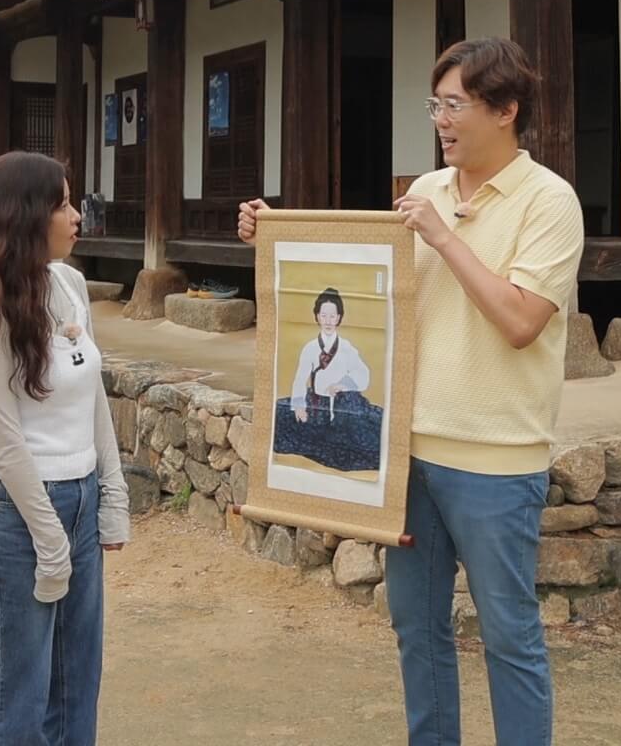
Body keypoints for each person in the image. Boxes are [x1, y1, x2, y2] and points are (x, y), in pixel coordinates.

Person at [240, 37, 583, 746]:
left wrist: (448, 240)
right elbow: (366, 292)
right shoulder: (426, 192)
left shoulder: (550, 202)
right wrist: (271, 235)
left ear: (506, 111)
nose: (442, 120)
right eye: (437, 105)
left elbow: (520, 321)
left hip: (496, 455)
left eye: (456, 105)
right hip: (406, 455)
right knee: (416, 631)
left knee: (509, 637)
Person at [0, 151, 130, 746]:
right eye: (62, 205)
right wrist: (50, 541)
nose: (76, 216)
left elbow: (93, 397)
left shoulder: (71, 284)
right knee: (17, 703)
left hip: (77, 499)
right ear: (26, 215)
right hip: (17, 515)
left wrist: (112, 492)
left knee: (78, 689)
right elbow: (6, 440)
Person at [272, 287, 382, 473]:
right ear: (317, 317)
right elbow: (300, 379)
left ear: (339, 317)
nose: (328, 321)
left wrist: (343, 384)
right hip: (316, 403)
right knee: (278, 415)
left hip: (342, 406)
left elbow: (363, 373)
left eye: (333, 316)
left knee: (366, 431)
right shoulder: (310, 348)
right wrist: (299, 405)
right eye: (324, 315)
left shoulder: (346, 347)